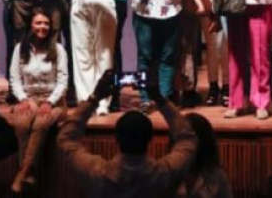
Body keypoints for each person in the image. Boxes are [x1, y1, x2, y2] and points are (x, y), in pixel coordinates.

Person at [58, 73, 197, 198]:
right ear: (150, 138)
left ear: (116, 139)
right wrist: (160, 99)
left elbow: (66, 139)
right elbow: (188, 139)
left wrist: (94, 98)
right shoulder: (164, 174)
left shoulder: (98, 173)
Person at [7, 9, 68, 193]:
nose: (42, 27)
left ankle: (22, 172)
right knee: (22, 123)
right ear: (30, 26)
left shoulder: (58, 49)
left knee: (41, 124)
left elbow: (63, 81)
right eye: (38, 23)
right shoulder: (20, 48)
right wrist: (23, 98)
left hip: (54, 100)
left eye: (46, 24)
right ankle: (29, 171)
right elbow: (14, 78)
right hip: (30, 98)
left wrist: (50, 102)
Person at [177, 113, 233, 198]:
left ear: (203, 141)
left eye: (190, 139)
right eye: (182, 138)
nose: (186, 145)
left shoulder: (217, 177)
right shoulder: (167, 174)